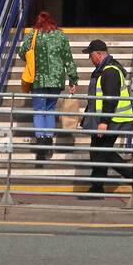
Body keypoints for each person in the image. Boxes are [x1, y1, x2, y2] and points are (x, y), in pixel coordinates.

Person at [17, 11, 78, 164]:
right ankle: (49, 139)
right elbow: (68, 58)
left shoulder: (34, 34)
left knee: (39, 110)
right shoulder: (60, 36)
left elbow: (22, 52)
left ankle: (40, 140)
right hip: (56, 80)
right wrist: (73, 79)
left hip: (39, 79)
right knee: (50, 110)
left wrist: (32, 59)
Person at [80, 39, 133, 195]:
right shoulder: (103, 69)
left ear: (99, 54)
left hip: (113, 120)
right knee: (98, 151)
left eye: (90, 55)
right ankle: (97, 187)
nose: (89, 59)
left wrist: (104, 122)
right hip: (107, 119)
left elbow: (111, 98)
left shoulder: (109, 71)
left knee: (102, 151)